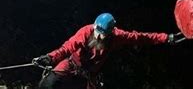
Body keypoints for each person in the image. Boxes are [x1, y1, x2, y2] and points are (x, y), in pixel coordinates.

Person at [33, 13, 174, 89]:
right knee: (47, 84)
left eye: (103, 33)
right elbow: (67, 47)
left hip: (89, 75)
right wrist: (50, 58)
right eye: (97, 31)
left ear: (111, 32)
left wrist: (165, 38)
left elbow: (140, 37)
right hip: (71, 66)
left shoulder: (117, 36)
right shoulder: (86, 32)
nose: (99, 36)